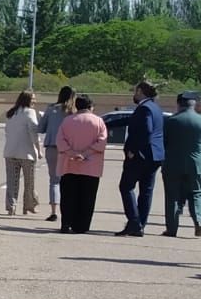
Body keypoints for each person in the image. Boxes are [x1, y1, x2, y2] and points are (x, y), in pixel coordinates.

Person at [117, 81, 165, 237]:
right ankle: (140, 225)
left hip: (141, 155)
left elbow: (147, 130)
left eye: (136, 91)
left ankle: (134, 221)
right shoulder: (156, 108)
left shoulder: (144, 109)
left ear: (141, 92)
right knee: (146, 191)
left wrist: (133, 150)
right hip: (156, 156)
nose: (134, 94)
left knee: (126, 186)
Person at [56, 95, 108, 234]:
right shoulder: (98, 121)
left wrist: (72, 153)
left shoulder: (67, 121)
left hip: (69, 165)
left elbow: (60, 141)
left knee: (68, 197)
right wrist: (85, 153)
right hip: (91, 167)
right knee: (87, 198)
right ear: (90, 106)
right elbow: (102, 142)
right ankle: (82, 226)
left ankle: (66, 223)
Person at [160, 90, 201, 237]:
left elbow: (164, 142)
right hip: (195, 164)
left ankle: (172, 228)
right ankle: (199, 221)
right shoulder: (199, 120)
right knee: (196, 194)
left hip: (173, 164)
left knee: (172, 197)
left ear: (179, 104)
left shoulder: (172, 121)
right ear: (194, 104)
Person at [2, 90, 44, 216]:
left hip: (10, 151)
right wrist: (39, 150)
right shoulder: (30, 112)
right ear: (27, 100)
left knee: (11, 182)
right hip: (26, 153)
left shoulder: (11, 113)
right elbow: (34, 133)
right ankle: (29, 206)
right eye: (33, 99)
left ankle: (11, 207)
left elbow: (7, 131)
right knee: (29, 182)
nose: (35, 101)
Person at [39, 85, 75, 223]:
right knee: (68, 180)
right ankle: (68, 210)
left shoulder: (51, 109)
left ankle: (54, 211)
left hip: (52, 147)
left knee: (54, 180)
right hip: (69, 149)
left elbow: (41, 128)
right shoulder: (73, 112)